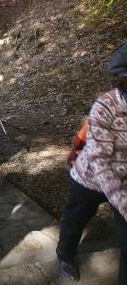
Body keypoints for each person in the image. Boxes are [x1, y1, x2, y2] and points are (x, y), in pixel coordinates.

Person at [56, 44, 127, 283]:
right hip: (90, 178)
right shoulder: (105, 106)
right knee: (75, 220)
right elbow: (101, 162)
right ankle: (65, 255)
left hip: (124, 183)